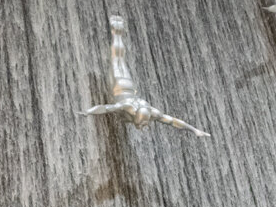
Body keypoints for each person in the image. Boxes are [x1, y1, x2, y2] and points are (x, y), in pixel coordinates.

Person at [79, 16, 210, 137]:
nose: (142, 126)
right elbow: (105, 108)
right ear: (135, 114)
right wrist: (88, 112)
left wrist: (195, 130)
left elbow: (172, 121)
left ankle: (118, 31)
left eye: (143, 124)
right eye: (141, 123)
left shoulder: (152, 113)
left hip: (129, 87)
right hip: (118, 85)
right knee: (116, 60)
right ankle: (115, 31)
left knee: (120, 59)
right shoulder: (127, 106)